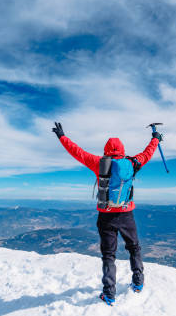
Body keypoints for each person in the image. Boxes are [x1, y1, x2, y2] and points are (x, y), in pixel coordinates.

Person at [52, 122, 162, 305]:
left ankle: (109, 294)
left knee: (109, 255)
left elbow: (77, 152)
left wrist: (62, 136)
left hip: (106, 216)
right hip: (127, 214)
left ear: (106, 150)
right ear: (122, 149)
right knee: (134, 247)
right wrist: (156, 139)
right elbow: (147, 153)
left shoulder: (98, 163)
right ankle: (138, 283)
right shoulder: (132, 163)